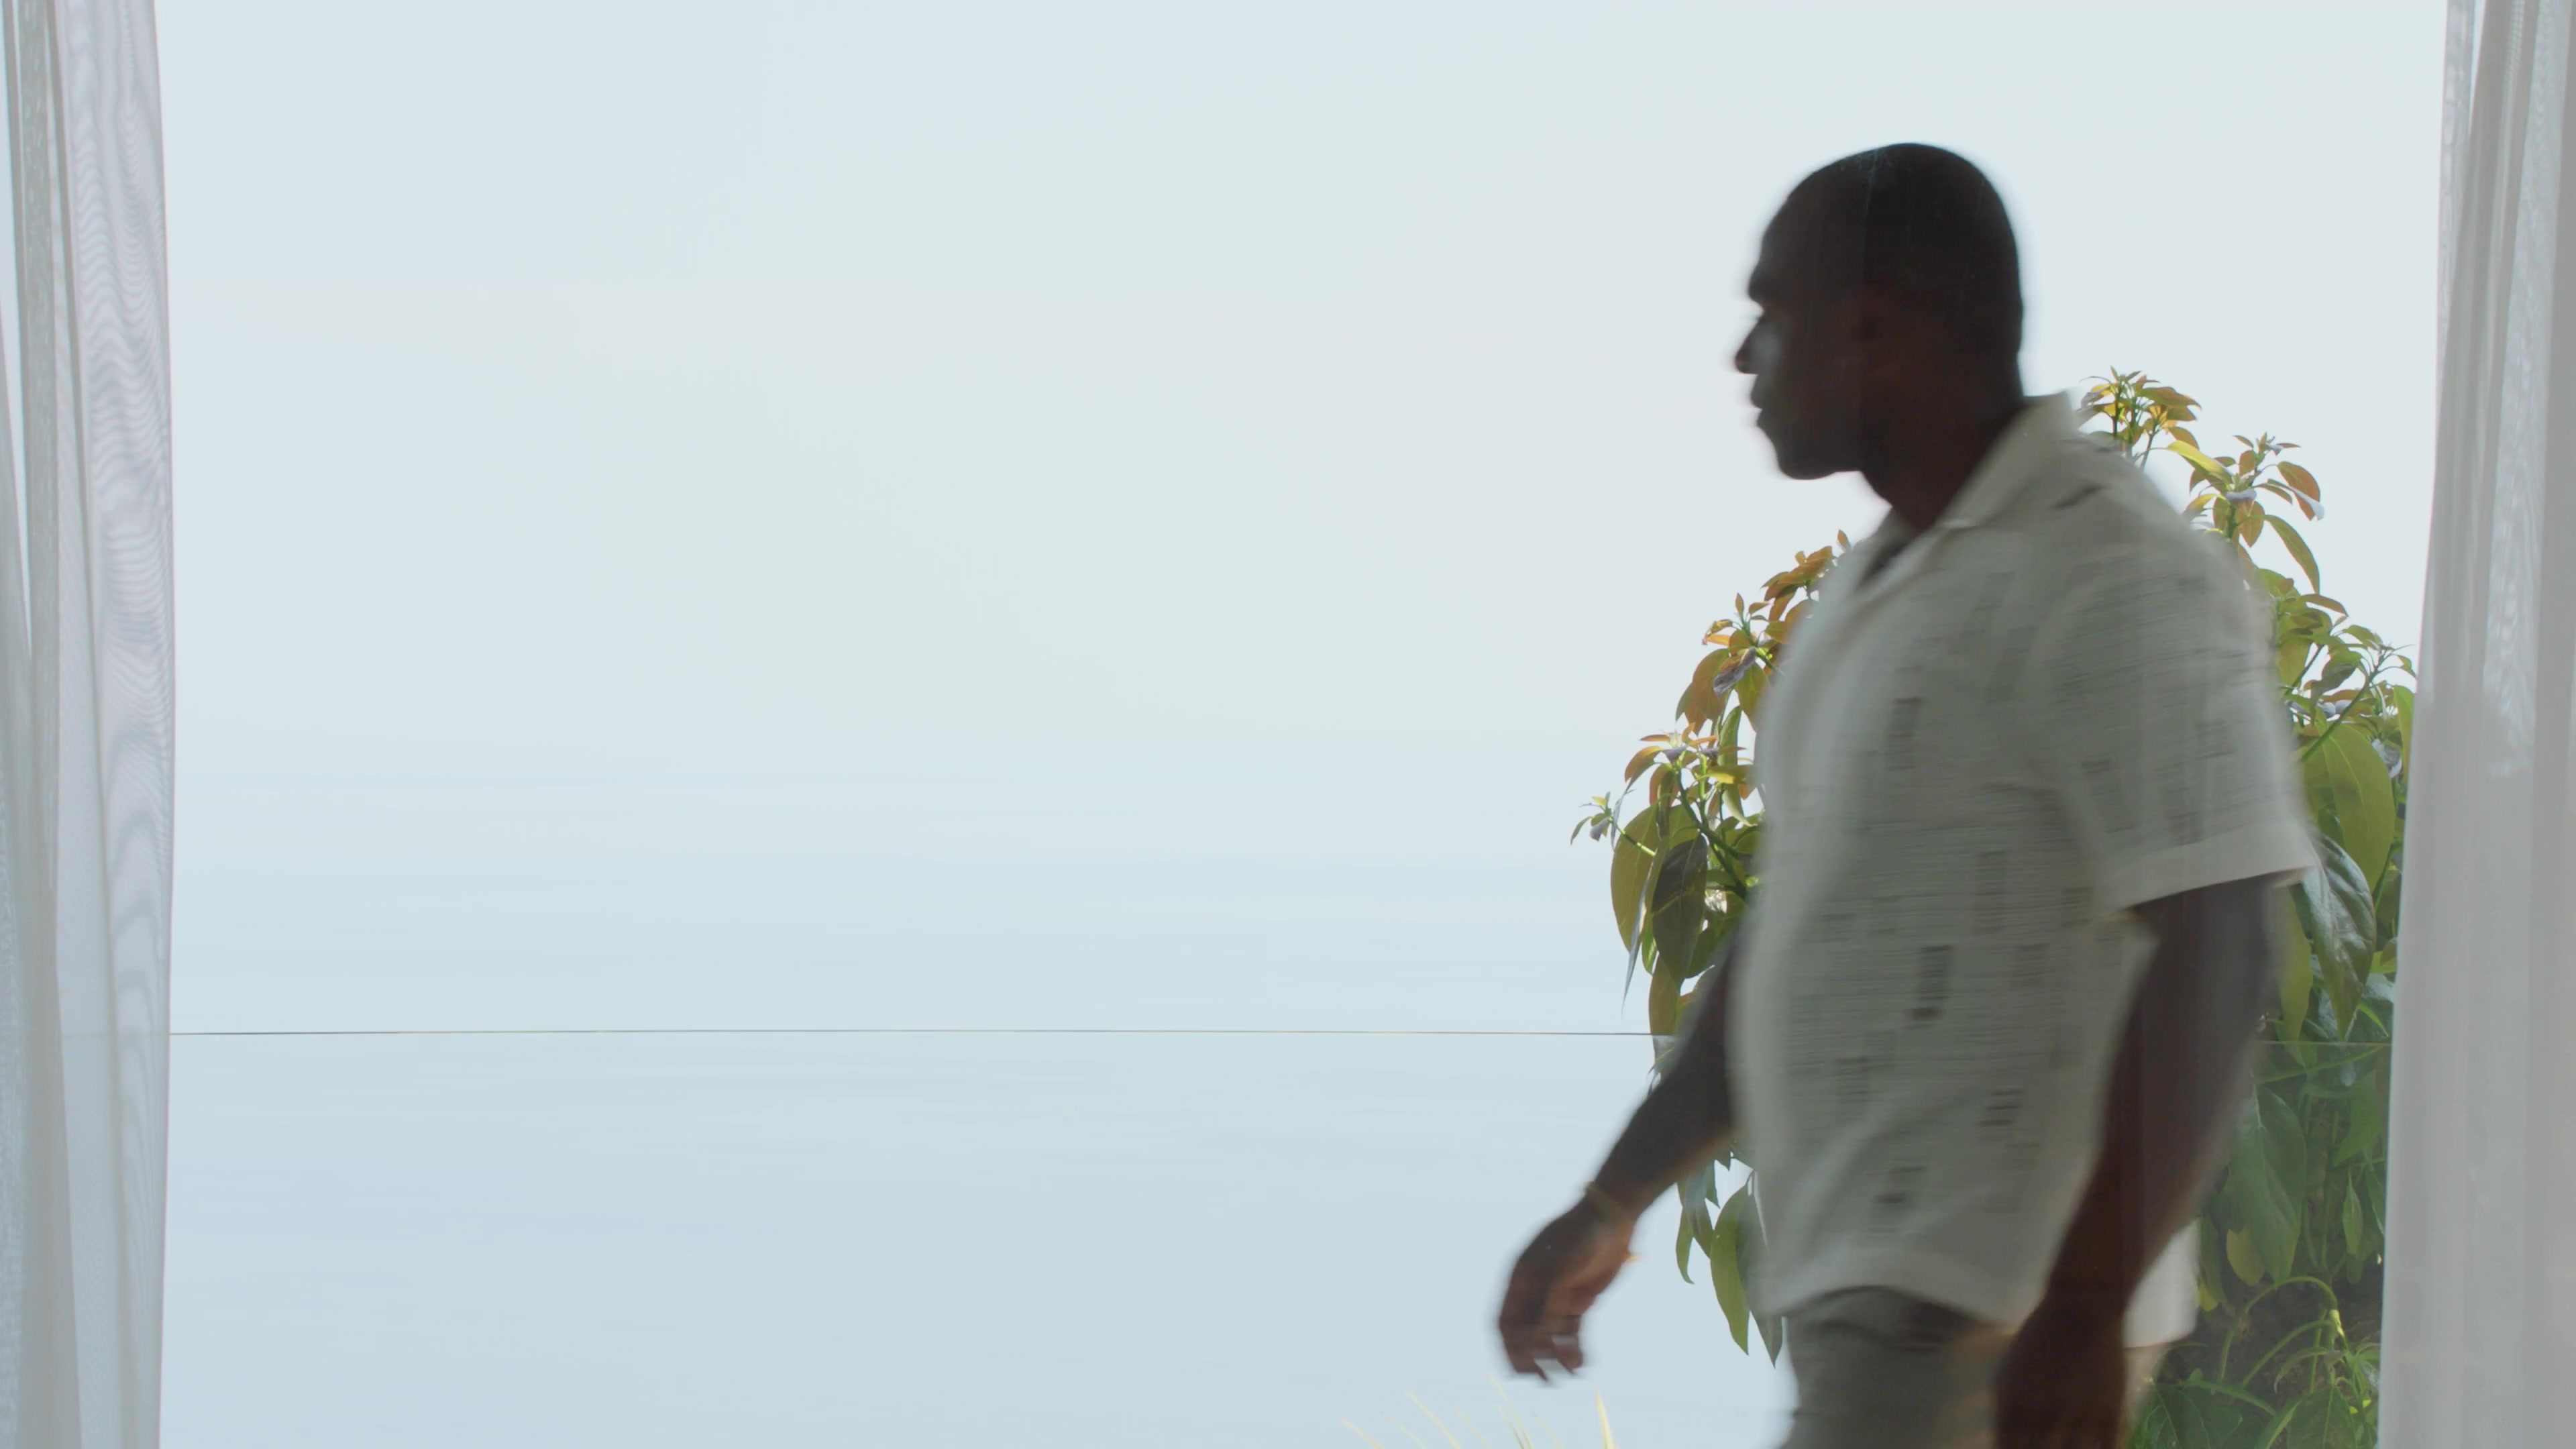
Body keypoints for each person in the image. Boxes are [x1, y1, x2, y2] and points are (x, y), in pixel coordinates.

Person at [1494, 144, 2317, 1449]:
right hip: (1882, 1310)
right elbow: (1799, 932)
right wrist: (1613, 1199)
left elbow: (2219, 930)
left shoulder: (2103, 562)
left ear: (1872, 328)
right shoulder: (1878, 585)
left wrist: (2085, 1303)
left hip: (1981, 1322)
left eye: (1772, 313)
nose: (1744, 356)